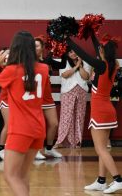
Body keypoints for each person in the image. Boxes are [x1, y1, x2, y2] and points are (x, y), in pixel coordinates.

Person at [0, 31, 51, 196]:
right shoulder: (44, 68)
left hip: (21, 129)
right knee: (22, 175)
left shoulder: (12, 70)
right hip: (38, 127)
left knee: (10, 176)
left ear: (15, 48)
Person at [66, 34, 122, 194]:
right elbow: (100, 48)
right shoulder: (113, 64)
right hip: (108, 110)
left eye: (100, 49)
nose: (98, 50)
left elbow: (82, 54)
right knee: (103, 148)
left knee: (100, 150)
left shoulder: (101, 65)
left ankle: (118, 179)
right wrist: (90, 33)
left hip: (100, 111)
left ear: (103, 52)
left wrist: (67, 40)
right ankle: (101, 181)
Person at [34, 37, 66, 159]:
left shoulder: (47, 60)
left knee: (54, 123)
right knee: (39, 125)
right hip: (35, 97)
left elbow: (62, 64)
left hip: (47, 97)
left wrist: (63, 51)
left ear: (42, 48)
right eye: (33, 46)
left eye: (37, 45)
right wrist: (52, 51)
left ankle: (48, 149)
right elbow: (45, 63)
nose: (34, 48)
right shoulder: (31, 60)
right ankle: (36, 149)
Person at [55, 48, 91, 148]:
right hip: (67, 91)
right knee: (66, 117)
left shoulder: (86, 62)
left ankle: (77, 141)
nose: (73, 53)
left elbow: (86, 77)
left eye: (75, 51)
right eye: (70, 52)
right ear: (67, 53)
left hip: (81, 91)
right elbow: (65, 75)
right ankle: (62, 141)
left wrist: (80, 65)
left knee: (79, 116)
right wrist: (76, 66)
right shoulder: (64, 61)